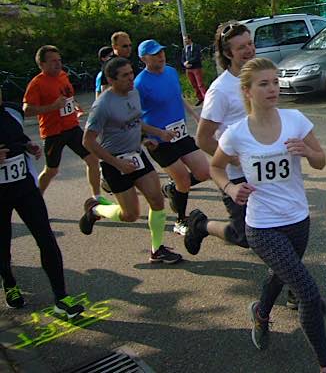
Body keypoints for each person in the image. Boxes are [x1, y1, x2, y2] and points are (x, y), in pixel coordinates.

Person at [211, 58, 326, 372]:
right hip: (263, 226)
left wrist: (308, 152)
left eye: (275, 82)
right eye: (263, 83)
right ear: (247, 91)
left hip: (298, 220)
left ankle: (261, 311)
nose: (272, 88)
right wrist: (228, 188)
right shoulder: (236, 133)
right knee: (307, 292)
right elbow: (215, 166)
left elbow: (320, 161)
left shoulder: (295, 120)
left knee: (281, 275)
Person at [80, 57, 183, 264]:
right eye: (125, 76)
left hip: (136, 155)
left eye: (131, 73)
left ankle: (157, 250)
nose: (131, 78)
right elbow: (87, 142)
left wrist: (154, 135)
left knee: (156, 200)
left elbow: (136, 122)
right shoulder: (102, 106)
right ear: (111, 79)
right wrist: (118, 164)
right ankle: (95, 209)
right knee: (130, 215)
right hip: (114, 163)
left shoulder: (133, 93)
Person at [1, 89, 85, 318]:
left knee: (46, 238)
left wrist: (29, 146)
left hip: (24, 187)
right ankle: (9, 283)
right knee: (3, 244)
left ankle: (61, 297)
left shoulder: (11, 110)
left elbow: (17, 137)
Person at [185, 21, 256, 255]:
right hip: (236, 175)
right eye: (241, 47)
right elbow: (203, 138)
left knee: (274, 227)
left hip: (262, 166)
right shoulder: (220, 90)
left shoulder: (257, 76)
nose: (249, 50)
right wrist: (231, 159)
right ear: (228, 53)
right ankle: (200, 225)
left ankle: (289, 280)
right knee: (244, 237)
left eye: (250, 43)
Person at [134, 39, 210, 235]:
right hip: (158, 141)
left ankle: (174, 189)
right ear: (143, 59)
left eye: (161, 51)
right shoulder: (140, 83)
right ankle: (180, 221)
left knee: (203, 172)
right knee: (183, 180)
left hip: (180, 134)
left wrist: (195, 114)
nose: (160, 56)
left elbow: (177, 96)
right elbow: (133, 118)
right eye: (154, 54)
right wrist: (154, 135)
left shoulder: (170, 72)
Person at [22, 45, 103, 200]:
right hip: (53, 132)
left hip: (72, 127)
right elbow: (26, 110)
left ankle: (97, 198)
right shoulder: (36, 83)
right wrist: (52, 107)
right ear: (42, 64)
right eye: (53, 61)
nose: (58, 64)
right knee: (52, 170)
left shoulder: (63, 76)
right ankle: (36, 199)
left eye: (59, 60)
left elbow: (67, 96)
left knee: (92, 160)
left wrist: (75, 105)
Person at [183, 34, 206, 106]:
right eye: (184, 39)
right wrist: (185, 64)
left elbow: (197, 57)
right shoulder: (184, 49)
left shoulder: (196, 47)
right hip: (188, 69)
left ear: (190, 39)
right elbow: (182, 58)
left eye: (186, 39)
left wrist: (189, 62)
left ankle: (206, 98)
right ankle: (200, 98)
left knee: (200, 84)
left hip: (196, 68)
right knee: (194, 85)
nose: (185, 41)